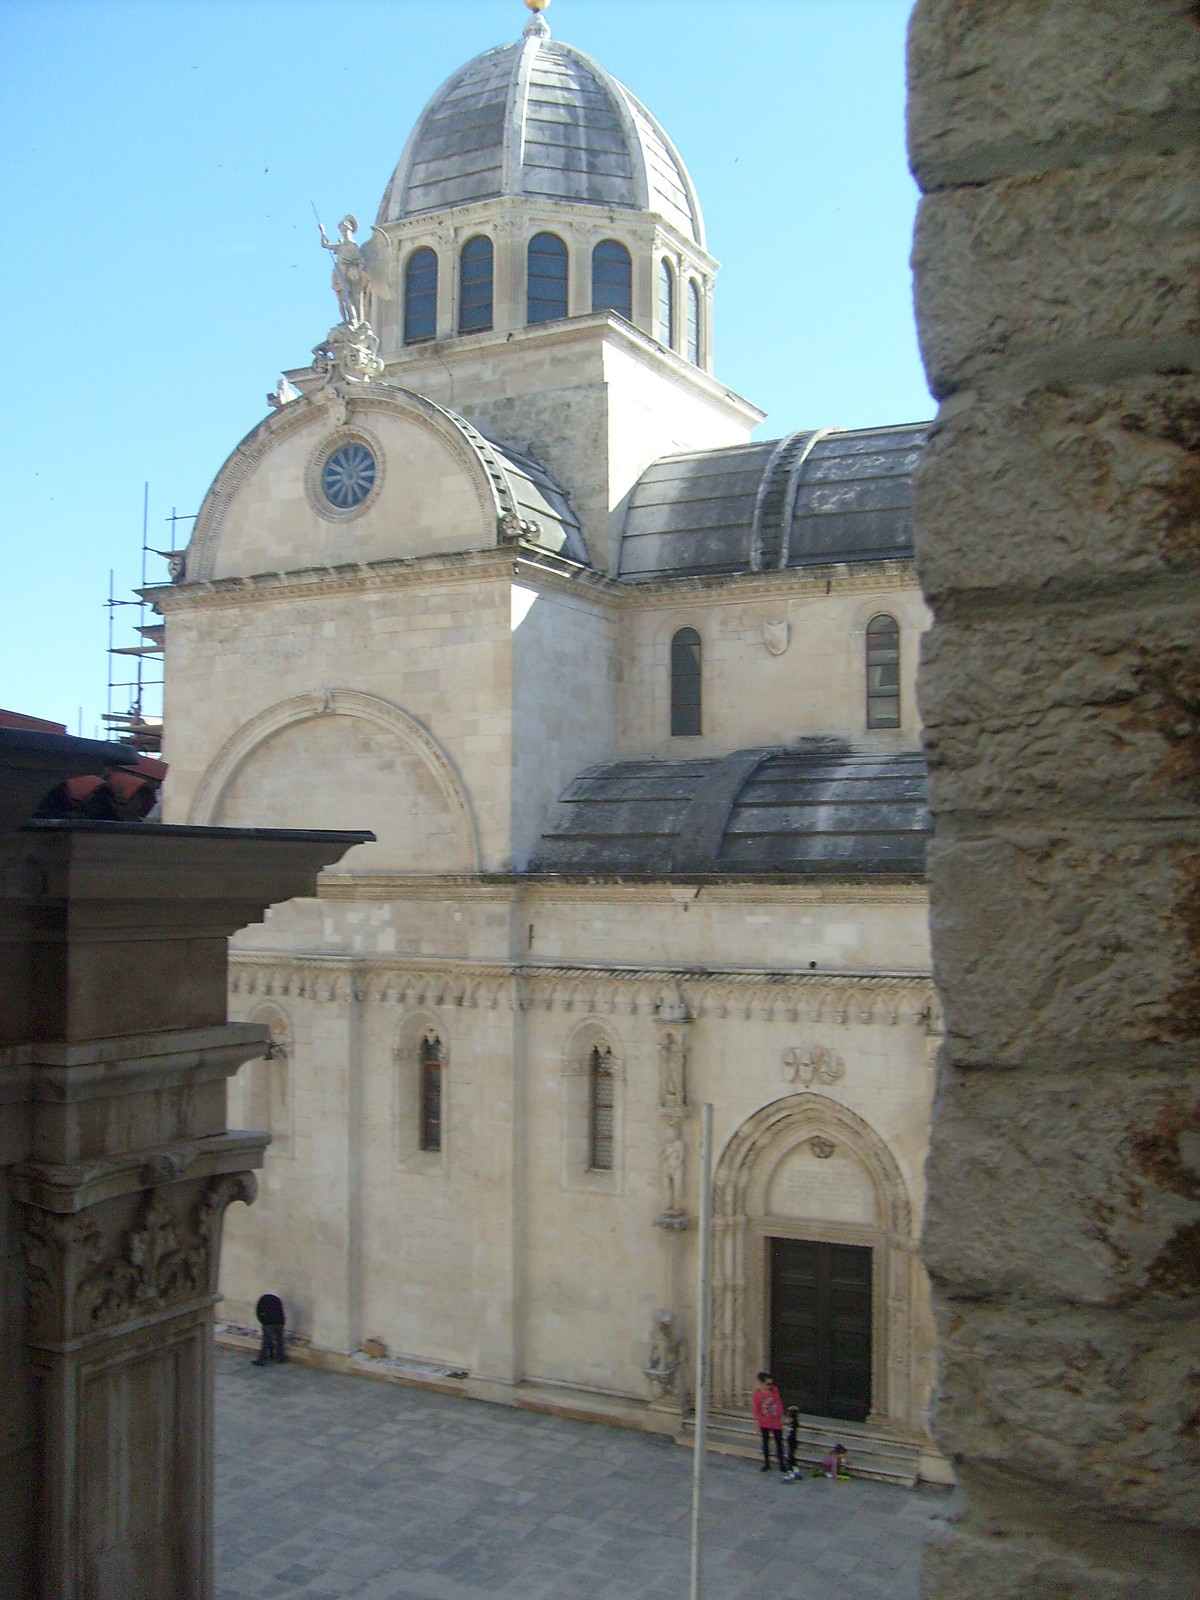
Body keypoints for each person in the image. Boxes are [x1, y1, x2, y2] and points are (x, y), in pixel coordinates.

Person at [751, 1372, 785, 1472]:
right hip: (764, 1421)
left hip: (776, 1421)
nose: (770, 1386)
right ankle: (767, 1463)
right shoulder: (757, 1395)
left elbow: (779, 1402)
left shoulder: (774, 1390)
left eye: (771, 1383)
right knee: (765, 1442)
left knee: (779, 1442)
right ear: (762, 1383)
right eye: (768, 1384)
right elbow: (756, 1409)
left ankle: (782, 1463)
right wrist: (757, 1423)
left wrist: (781, 1415)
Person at [253, 1293, 287, 1366]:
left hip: (268, 1323)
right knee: (279, 1340)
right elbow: (281, 1311)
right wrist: (282, 1321)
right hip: (279, 1322)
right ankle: (280, 1357)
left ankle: (261, 1359)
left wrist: (263, 1322)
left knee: (266, 1341)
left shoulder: (263, 1299)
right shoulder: (277, 1299)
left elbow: (259, 1312)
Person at [781, 1405, 802, 1480]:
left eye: (790, 1412)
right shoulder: (793, 1421)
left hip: (792, 1441)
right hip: (791, 1441)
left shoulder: (794, 1421)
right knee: (791, 1458)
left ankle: (793, 1473)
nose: (788, 1413)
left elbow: (786, 1422)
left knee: (790, 1458)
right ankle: (795, 1472)